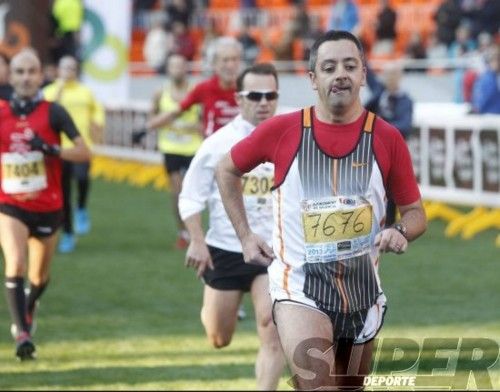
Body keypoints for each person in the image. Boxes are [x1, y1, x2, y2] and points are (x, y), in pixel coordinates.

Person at [215, 30, 427, 390]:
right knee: (320, 385)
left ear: (363, 74)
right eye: (329, 67)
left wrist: (400, 230)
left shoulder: (387, 137)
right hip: (298, 286)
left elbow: (416, 214)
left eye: (350, 65)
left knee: (347, 386)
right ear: (314, 79)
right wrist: (246, 236)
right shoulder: (283, 131)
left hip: (362, 289)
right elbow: (226, 169)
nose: (340, 74)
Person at [178, 63, 285, 390]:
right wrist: (197, 240)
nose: (264, 102)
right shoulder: (217, 143)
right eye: (255, 95)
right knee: (219, 338)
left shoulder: (290, 139)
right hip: (225, 250)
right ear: (239, 99)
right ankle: (215, 311)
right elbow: (190, 196)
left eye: (271, 95)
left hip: (272, 253)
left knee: (271, 328)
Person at [0, 49, 90, 360]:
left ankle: (30, 302)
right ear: (10, 77)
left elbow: (84, 153)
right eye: (20, 72)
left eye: (31, 71)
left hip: (48, 206)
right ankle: (22, 332)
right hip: (9, 203)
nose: (25, 78)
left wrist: (51, 149)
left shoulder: (54, 112)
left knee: (39, 277)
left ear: (41, 75)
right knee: (16, 264)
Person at [134, 53, 202, 249]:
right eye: (173, 66)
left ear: (186, 68)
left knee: (194, 192)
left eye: (180, 66)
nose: (176, 70)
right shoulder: (160, 92)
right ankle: (183, 232)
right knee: (177, 191)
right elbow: (153, 116)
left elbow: (205, 120)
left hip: (193, 147)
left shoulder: (195, 92)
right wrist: (162, 122)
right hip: (170, 148)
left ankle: (196, 232)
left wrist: (193, 127)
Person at [43, 55, 104, 253]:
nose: (68, 71)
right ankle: (68, 232)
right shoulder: (50, 92)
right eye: (65, 67)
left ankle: (82, 208)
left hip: (80, 146)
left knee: (82, 177)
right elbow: (44, 112)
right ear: (58, 70)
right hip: (59, 150)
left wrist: (98, 125)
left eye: (72, 68)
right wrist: (58, 89)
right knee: (64, 193)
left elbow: (97, 110)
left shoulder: (85, 92)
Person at [144, 36, 242, 138]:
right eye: (225, 60)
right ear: (214, 63)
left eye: (234, 59)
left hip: (241, 150)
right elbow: (177, 111)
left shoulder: (247, 88)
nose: (230, 65)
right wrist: (147, 127)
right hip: (215, 150)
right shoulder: (204, 88)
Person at [365, 63, 414, 226]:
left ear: (399, 78)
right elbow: (367, 73)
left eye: (393, 75)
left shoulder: (405, 100)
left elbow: (405, 125)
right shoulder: (380, 91)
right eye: (387, 75)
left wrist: (381, 126)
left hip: (392, 150)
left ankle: (390, 223)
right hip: (373, 148)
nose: (389, 78)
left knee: (392, 187)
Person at [472, 43, 500, 114]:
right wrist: (477, 108)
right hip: (489, 113)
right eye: (494, 60)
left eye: (497, 59)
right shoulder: (486, 77)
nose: (496, 63)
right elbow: (481, 96)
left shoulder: (490, 77)